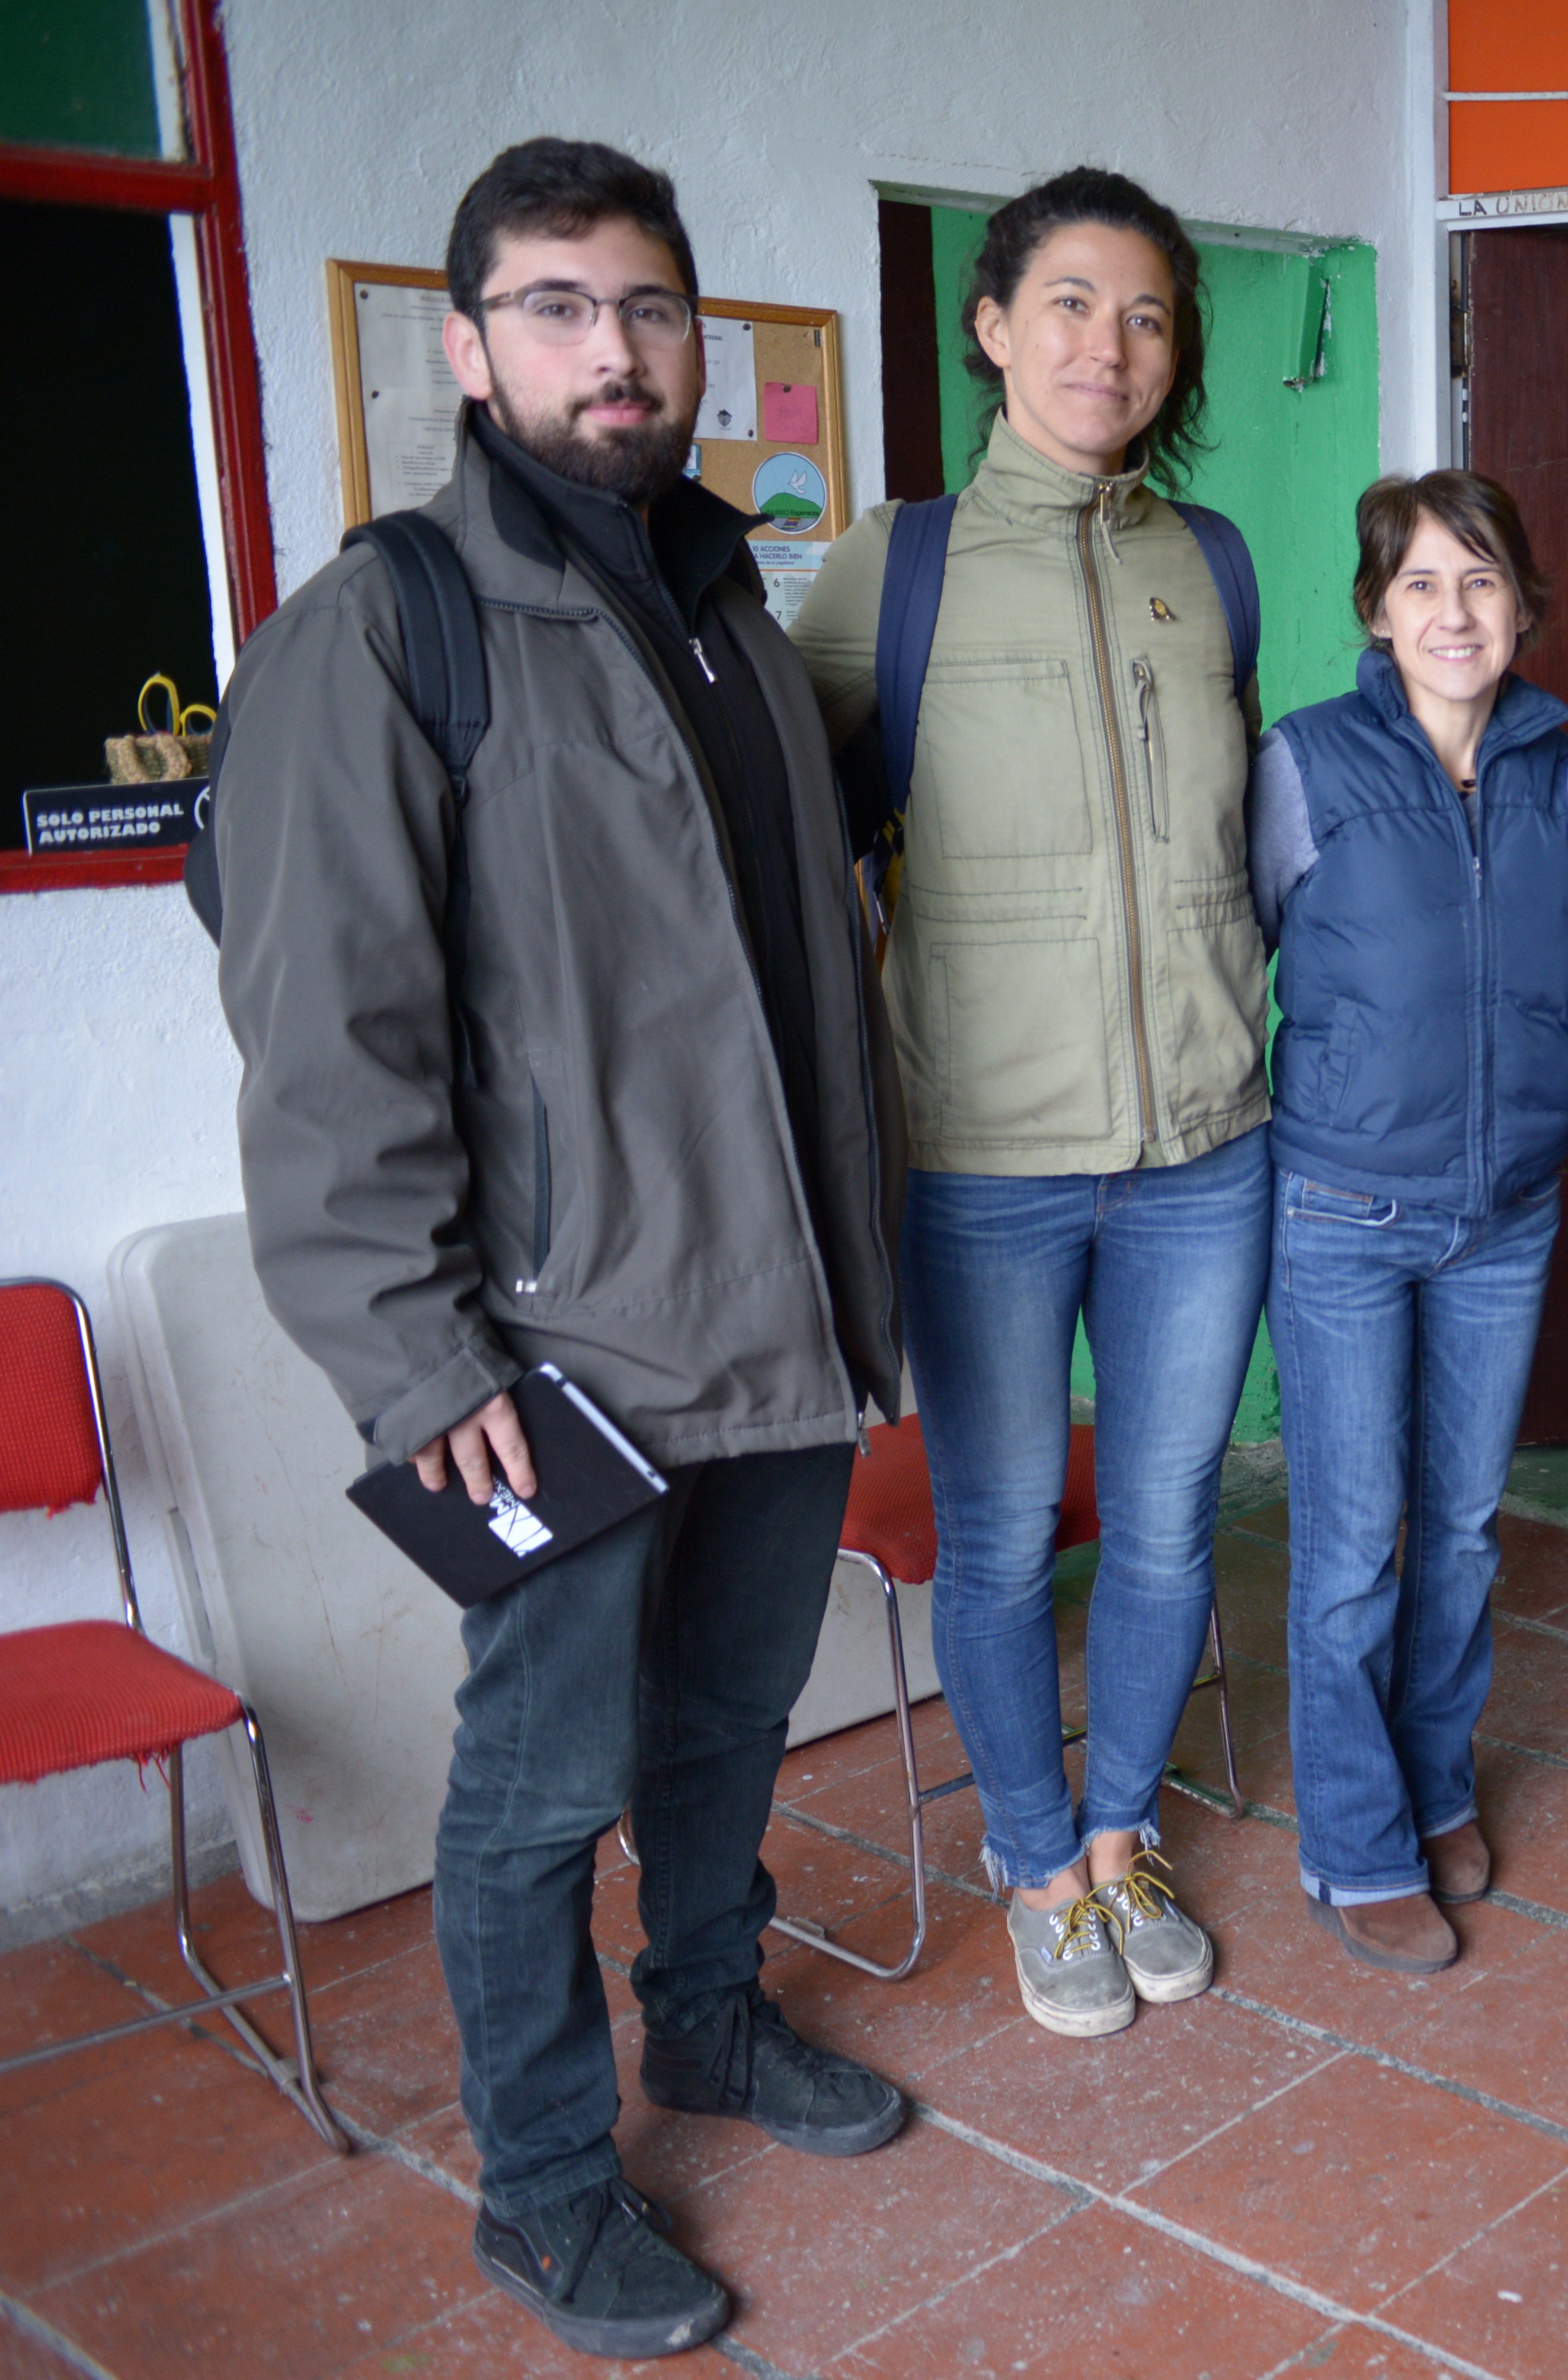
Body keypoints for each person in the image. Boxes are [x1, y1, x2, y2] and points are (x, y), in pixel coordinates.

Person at [215, 138, 906, 2359]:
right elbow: (325, 1041)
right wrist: (422, 1366)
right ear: (467, 346)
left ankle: (709, 2018)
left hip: (775, 1309)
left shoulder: (728, 613)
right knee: (532, 1791)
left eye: (650, 308)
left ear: (695, 337)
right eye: (557, 307)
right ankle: (538, 2184)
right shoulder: (381, 629)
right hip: (547, 1356)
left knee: (728, 1716)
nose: (614, 350)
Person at [795, 168, 1266, 2044]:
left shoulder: (1209, 563)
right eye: (1071, 303)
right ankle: (1035, 1863)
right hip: (981, 1159)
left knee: (1162, 1523)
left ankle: (1125, 1835)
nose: (1109, 346)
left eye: (1146, 315)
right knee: (997, 1538)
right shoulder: (894, 566)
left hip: (1204, 1154)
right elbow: (770, 820)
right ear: (993, 329)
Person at [1249, 472, 1568, 1975]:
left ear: (1523, 605)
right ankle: (1356, 1839)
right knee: (1347, 1549)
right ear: (1376, 612)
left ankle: (1434, 1780)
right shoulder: (1307, 759)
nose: (1455, 613)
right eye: (1422, 584)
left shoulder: (1564, 762)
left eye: (1482, 580)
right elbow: (1242, 942)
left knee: (1459, 1528)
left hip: (1504, 1212)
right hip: (1342, 1207)